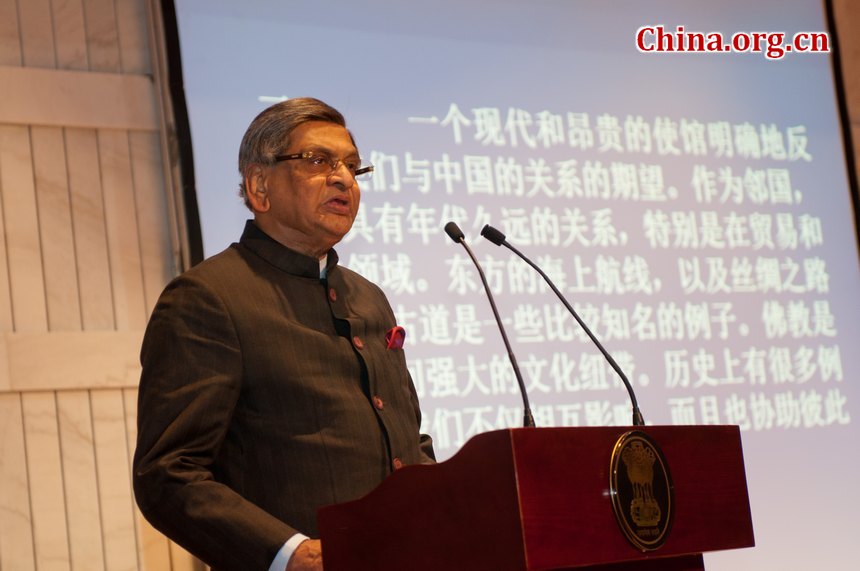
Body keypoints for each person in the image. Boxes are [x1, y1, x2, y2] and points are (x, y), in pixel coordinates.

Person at [132, 97, 435, 571]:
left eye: (353, 166)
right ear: (259, 186)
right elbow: (168, 474)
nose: (343, 179)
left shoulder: (368, 297)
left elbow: (405, 440)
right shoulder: (208, 298)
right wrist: (291, 554)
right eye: (318, 160)